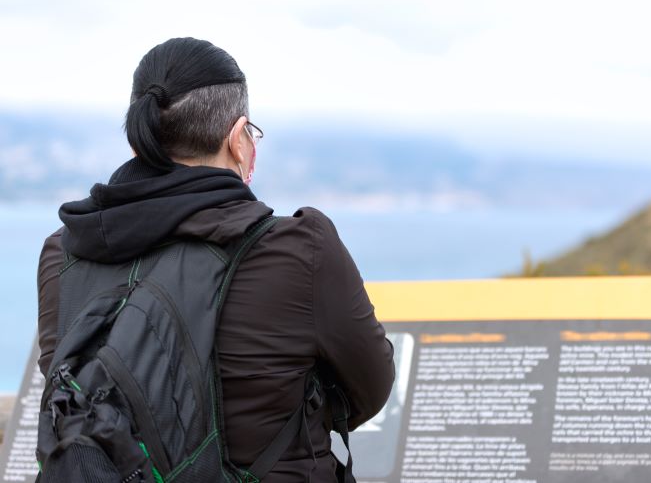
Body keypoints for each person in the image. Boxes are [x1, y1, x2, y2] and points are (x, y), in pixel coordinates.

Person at [36, 37, 395, 482]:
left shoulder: (64, 253)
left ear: (139, 143)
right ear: (238, 138)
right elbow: (371, 388)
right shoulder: (301, 248)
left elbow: (64, 384)